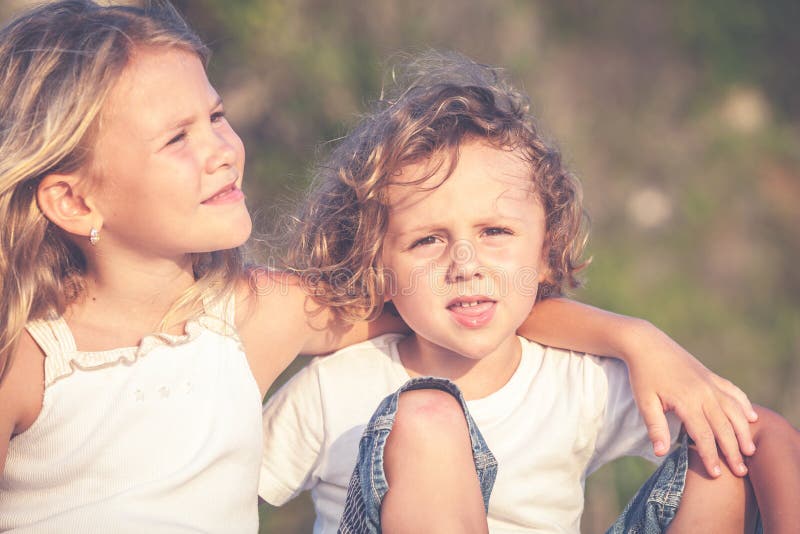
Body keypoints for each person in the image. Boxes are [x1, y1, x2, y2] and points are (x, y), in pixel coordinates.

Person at [0, 2, 761, 531]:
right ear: (73, 200)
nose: (222, 149)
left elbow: (461, 305)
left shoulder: (251, 316)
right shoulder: (29, 357)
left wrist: (638, 339)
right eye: (177, 138)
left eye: (218, 116)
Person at [259, 51, 800, 533]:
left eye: (495, 232)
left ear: (546, 249)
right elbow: (214, 495)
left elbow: (764, 437)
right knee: (426, 420)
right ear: (377, 263)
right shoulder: (335, 388)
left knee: (720, 458)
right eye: (427, 240)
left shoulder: (573, 380)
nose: (465, 265)